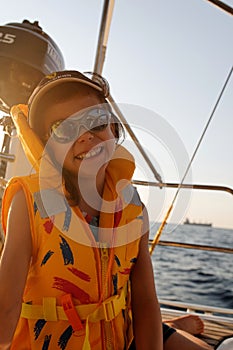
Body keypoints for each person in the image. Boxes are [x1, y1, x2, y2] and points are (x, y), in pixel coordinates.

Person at [0, 69, 212, 350]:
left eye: (95, 121)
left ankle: (170, 329)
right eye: (62, 129)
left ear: (113, 129)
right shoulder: (29, 204)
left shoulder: (133, 208)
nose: (85, 136)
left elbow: (146, 300)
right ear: (46, 147)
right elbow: (5, 307)